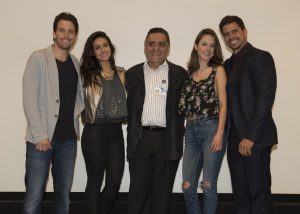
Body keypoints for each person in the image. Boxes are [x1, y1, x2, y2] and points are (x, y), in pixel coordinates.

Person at [22, 12, 84, 214]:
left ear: (75, 35)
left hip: (67, 141)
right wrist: (40, 135)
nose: (66, 35)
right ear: (54, 33)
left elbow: (78, 98)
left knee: (63, 198)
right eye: (62, 30)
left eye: (71, 31)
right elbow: (29, 99)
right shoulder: (38, 58)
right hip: (41, 141)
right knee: (33, 198)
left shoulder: (76, 63)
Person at [219, 15, 278, 214]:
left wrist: (250, 137)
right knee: (240, 194)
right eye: (226, 34)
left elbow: (265, 99)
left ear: (245, 31)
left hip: (255, 138)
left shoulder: (261, 57)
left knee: (258, 193)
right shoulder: (227, 65)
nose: (231, 37)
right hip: (234, 138)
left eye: (234, 31)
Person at [126, 27, 188, 214]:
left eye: (161, 44)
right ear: (145, 46)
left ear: (167, 48)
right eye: (151, 44)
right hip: (140, 139)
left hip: (168, 140)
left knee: (162, 195)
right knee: (137, 193)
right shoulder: (131, 74)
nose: (156, 48)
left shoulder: (180, 74)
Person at [179, 28, 227, 214]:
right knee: (187, 185)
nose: (208, 49)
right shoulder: (189, 76)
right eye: (204, 44)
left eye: (212, 45)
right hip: (190, 131)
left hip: (211, 129)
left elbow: (223, 103)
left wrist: (220, 133)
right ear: (196, 46)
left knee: (208, 185)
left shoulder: (218, 70)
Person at [80, 31, 127, 214]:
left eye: (105, 45)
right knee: (95, 180)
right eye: (97, 48)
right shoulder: (85, 75)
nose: (102, 50)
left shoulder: (122, 73)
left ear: (111, 47)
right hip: (94, 133)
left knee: (114, 181)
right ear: (92, 52)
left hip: (115, 133)